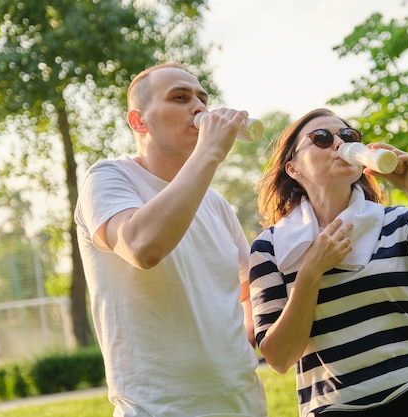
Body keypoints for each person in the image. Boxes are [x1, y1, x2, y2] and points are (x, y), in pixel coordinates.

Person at [249, 108, 408, 417]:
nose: (338, 144)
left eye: (348, 136)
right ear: (293, 169)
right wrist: (311, 271)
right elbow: (278, 357)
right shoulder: (270, 247)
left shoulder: (399, 222)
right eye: (321, 138)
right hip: (334, 408)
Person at [75, 62, 267, 417]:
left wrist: (243, 340)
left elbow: (249, 288)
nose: (199, 108)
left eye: (202, 98)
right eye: (180, 97)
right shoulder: (107, 179)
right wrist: (210, 153)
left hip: (243, 406)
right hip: (157, 410)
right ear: (138, 121)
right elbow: (142, 247)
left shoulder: (216, 203)